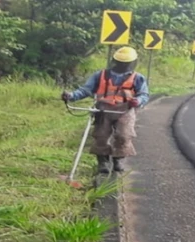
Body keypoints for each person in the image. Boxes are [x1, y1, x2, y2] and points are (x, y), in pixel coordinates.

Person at [61, 46, 149, 174]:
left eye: (126, 63)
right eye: (121, 63)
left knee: (124, 135)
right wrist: (71, 96)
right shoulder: (100, 75)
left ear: (132, 63)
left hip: (124, 111)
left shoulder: (137, 78)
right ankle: (103, 161)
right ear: (115, 61)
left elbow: (143, 94)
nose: (123, 65)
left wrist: (138, 101)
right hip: (103, 110)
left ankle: (118, 159)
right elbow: (86, 90)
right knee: (101, 135)